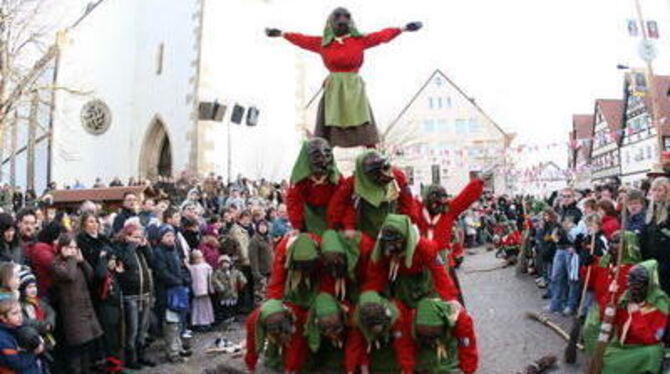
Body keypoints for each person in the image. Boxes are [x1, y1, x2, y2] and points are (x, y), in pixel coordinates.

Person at [266, 7, 421, 148]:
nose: (342, 21)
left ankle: (371, 153)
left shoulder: (359, 40)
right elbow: (302, 40)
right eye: (338, 17)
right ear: (330, 22)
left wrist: (403, 28)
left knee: (362, 118)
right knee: (328, 123)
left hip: (354, 88)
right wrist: (282, 34)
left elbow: (381, 36)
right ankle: (326, 158)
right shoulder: (323, 43)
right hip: (334, 89)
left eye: (346, 17)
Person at [362, 214, 459, 308]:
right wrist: (369, 300)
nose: (392, 246)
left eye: (396, 242)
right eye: (389, 242)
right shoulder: (382, 249)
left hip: (423, 283)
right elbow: (374, 276)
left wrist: (450, 298)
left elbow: (440, 274)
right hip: (399, 286)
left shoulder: (425, 247)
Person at [601, 260, 668, 374]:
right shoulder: (626, 297)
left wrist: (636, 313)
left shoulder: (660, 303)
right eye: (630, 283)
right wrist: (611, 295)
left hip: (643, 348)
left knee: (653, 354)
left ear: (649, 284)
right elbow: (607, 319)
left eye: (638, 285)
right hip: (622, 347)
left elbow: (652, 338)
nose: (632, 288)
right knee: (606, 362)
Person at [328, 151, 415, 238]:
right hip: (366, 228)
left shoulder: (398, 178)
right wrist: (340, 226)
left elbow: (407, 202)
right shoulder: (354, 183)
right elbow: (339, 204)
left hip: (392, 223)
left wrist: (405, 223)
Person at [50, 233, 103, 374]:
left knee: (86, 348)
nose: (72, 250)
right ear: (61, 248)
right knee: (75, 349)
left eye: (74, 247)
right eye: (69, 247)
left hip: (85, 308)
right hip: (71, 312)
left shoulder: (76, 263)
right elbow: (69, 275)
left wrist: (83, 261)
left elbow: (91, 276)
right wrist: (73, 260)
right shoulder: (57, 263)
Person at [113, 223, 155, 369]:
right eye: (135, 237)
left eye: (140, 237)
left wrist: (146, 246)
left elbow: (152, 262)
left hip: (145, 294)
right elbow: (128, 262)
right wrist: (132, 246)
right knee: (133, 330)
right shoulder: (121, 248)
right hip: (131, 296)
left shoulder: (141, 249)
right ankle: (131, 359)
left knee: (143, 329)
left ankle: (141, 355)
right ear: (127, 236)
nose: (138, 240)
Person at [345, 291, 414, 374]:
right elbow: (355, 346)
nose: (376, 330)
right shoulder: (356, 322)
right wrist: (359, 369)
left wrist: (407, 370)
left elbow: (403, 345)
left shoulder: (398, 316)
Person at [152, 224, 191, 363]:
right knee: (171, 323)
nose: (171, 238)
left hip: (178, 289)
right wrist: (177, 281)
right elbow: (161, 272)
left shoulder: (174, 250)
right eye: (167, 236)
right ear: (161, 237)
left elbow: (179, 267)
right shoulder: (158, 252)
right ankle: (172, 352)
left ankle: (179, 347)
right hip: (167, 292)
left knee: (179, 322)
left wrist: (185, 278)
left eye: (172, 235)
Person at [286, 138, 341, 236]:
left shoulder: (338, 179)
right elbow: (294, 203)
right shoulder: (299, 180)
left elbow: (342, 201)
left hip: (333, 221)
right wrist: (297, 226)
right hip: (307, 223)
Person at [413, 297, 478, 374]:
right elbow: (405, 347)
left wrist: (467, 371)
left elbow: (468, 350)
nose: (429, 337)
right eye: (424, 332)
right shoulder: (410, 320)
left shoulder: (460, 320)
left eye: (433, 331)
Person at [244, 299, 308, 373]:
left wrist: (290, 369)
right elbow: (252, 346)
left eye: (280, 328)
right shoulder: (253, 322)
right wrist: (250, 368)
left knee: (293, 343)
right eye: (274, 329)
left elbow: (295, 346)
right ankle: (270, 359)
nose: (277, 331)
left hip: (289, 322)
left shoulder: (295, 316)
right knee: (255, 345)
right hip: (260, 322)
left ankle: (290, 367)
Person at [0, 295, 45, 374]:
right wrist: (34, 352)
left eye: (20, 311)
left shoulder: (19, 327)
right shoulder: (2, 338)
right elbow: (15, 363)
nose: (20, 316)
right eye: (14, 313)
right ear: (3, 318)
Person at [640, 177, 670, 295]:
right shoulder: (651, 210)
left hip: (666, 262)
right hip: (652, 261)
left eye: (660, 190)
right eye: (654, 190)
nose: (656, 193)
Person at [26, 221, 62, 300]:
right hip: (45, 291)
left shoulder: (49, 246)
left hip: (48, 289)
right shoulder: (41, 250)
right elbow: (55, 267)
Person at [188, 250, 214, 332]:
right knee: (199, 307)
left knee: (202, 307)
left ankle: (203, 322)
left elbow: (209, 279)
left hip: (201, 290)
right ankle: (201, 323)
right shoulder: (203, 267)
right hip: (201, 290)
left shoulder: (203, 267)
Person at [248, 220, 273, 305]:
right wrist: (257, 274)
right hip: (261, 273)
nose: (263, 228)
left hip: (269, 271)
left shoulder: (268, 238)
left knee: (268, 296)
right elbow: (253, 258)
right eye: (261, 226)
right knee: (260, 297)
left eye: (265, 226)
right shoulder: (254, 240)